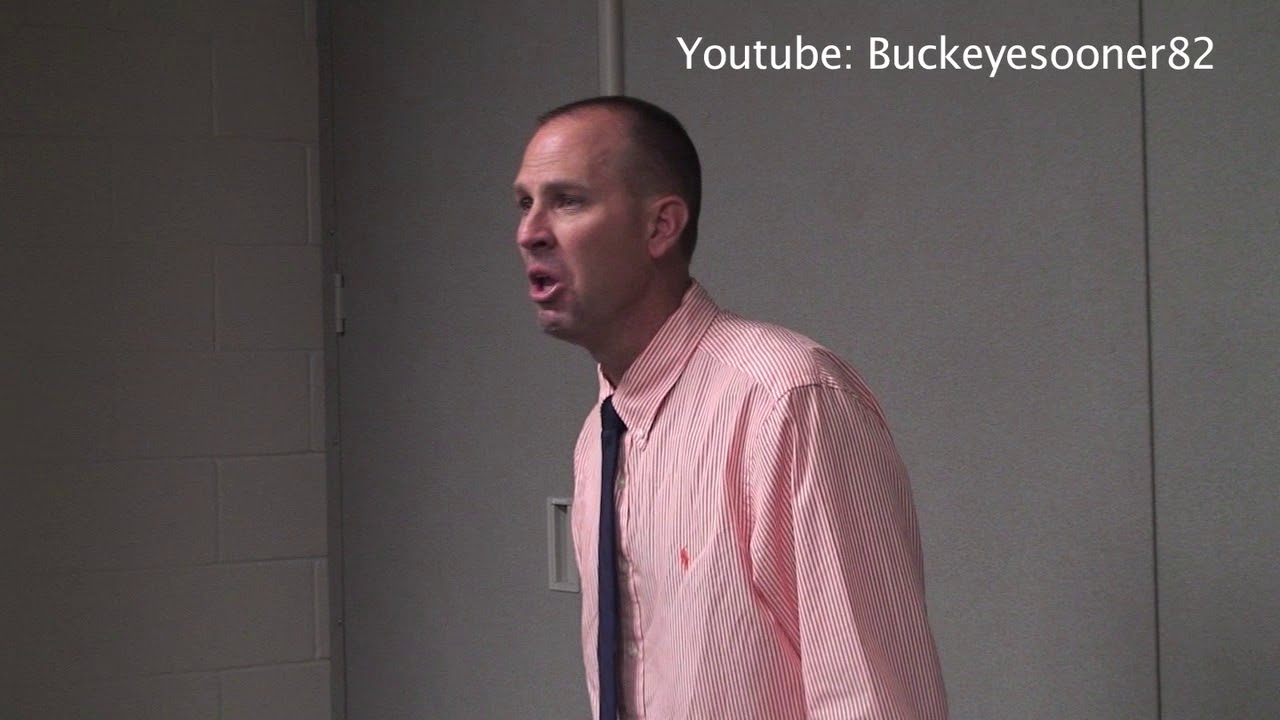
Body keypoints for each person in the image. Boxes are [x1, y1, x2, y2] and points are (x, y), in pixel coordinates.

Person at [513, 96, 948, 720]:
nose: (529, 231)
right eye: (524, 202)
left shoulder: (788, 402)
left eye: (568, 200)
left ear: (660, 226)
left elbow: (874, 699)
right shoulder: (600, 438)